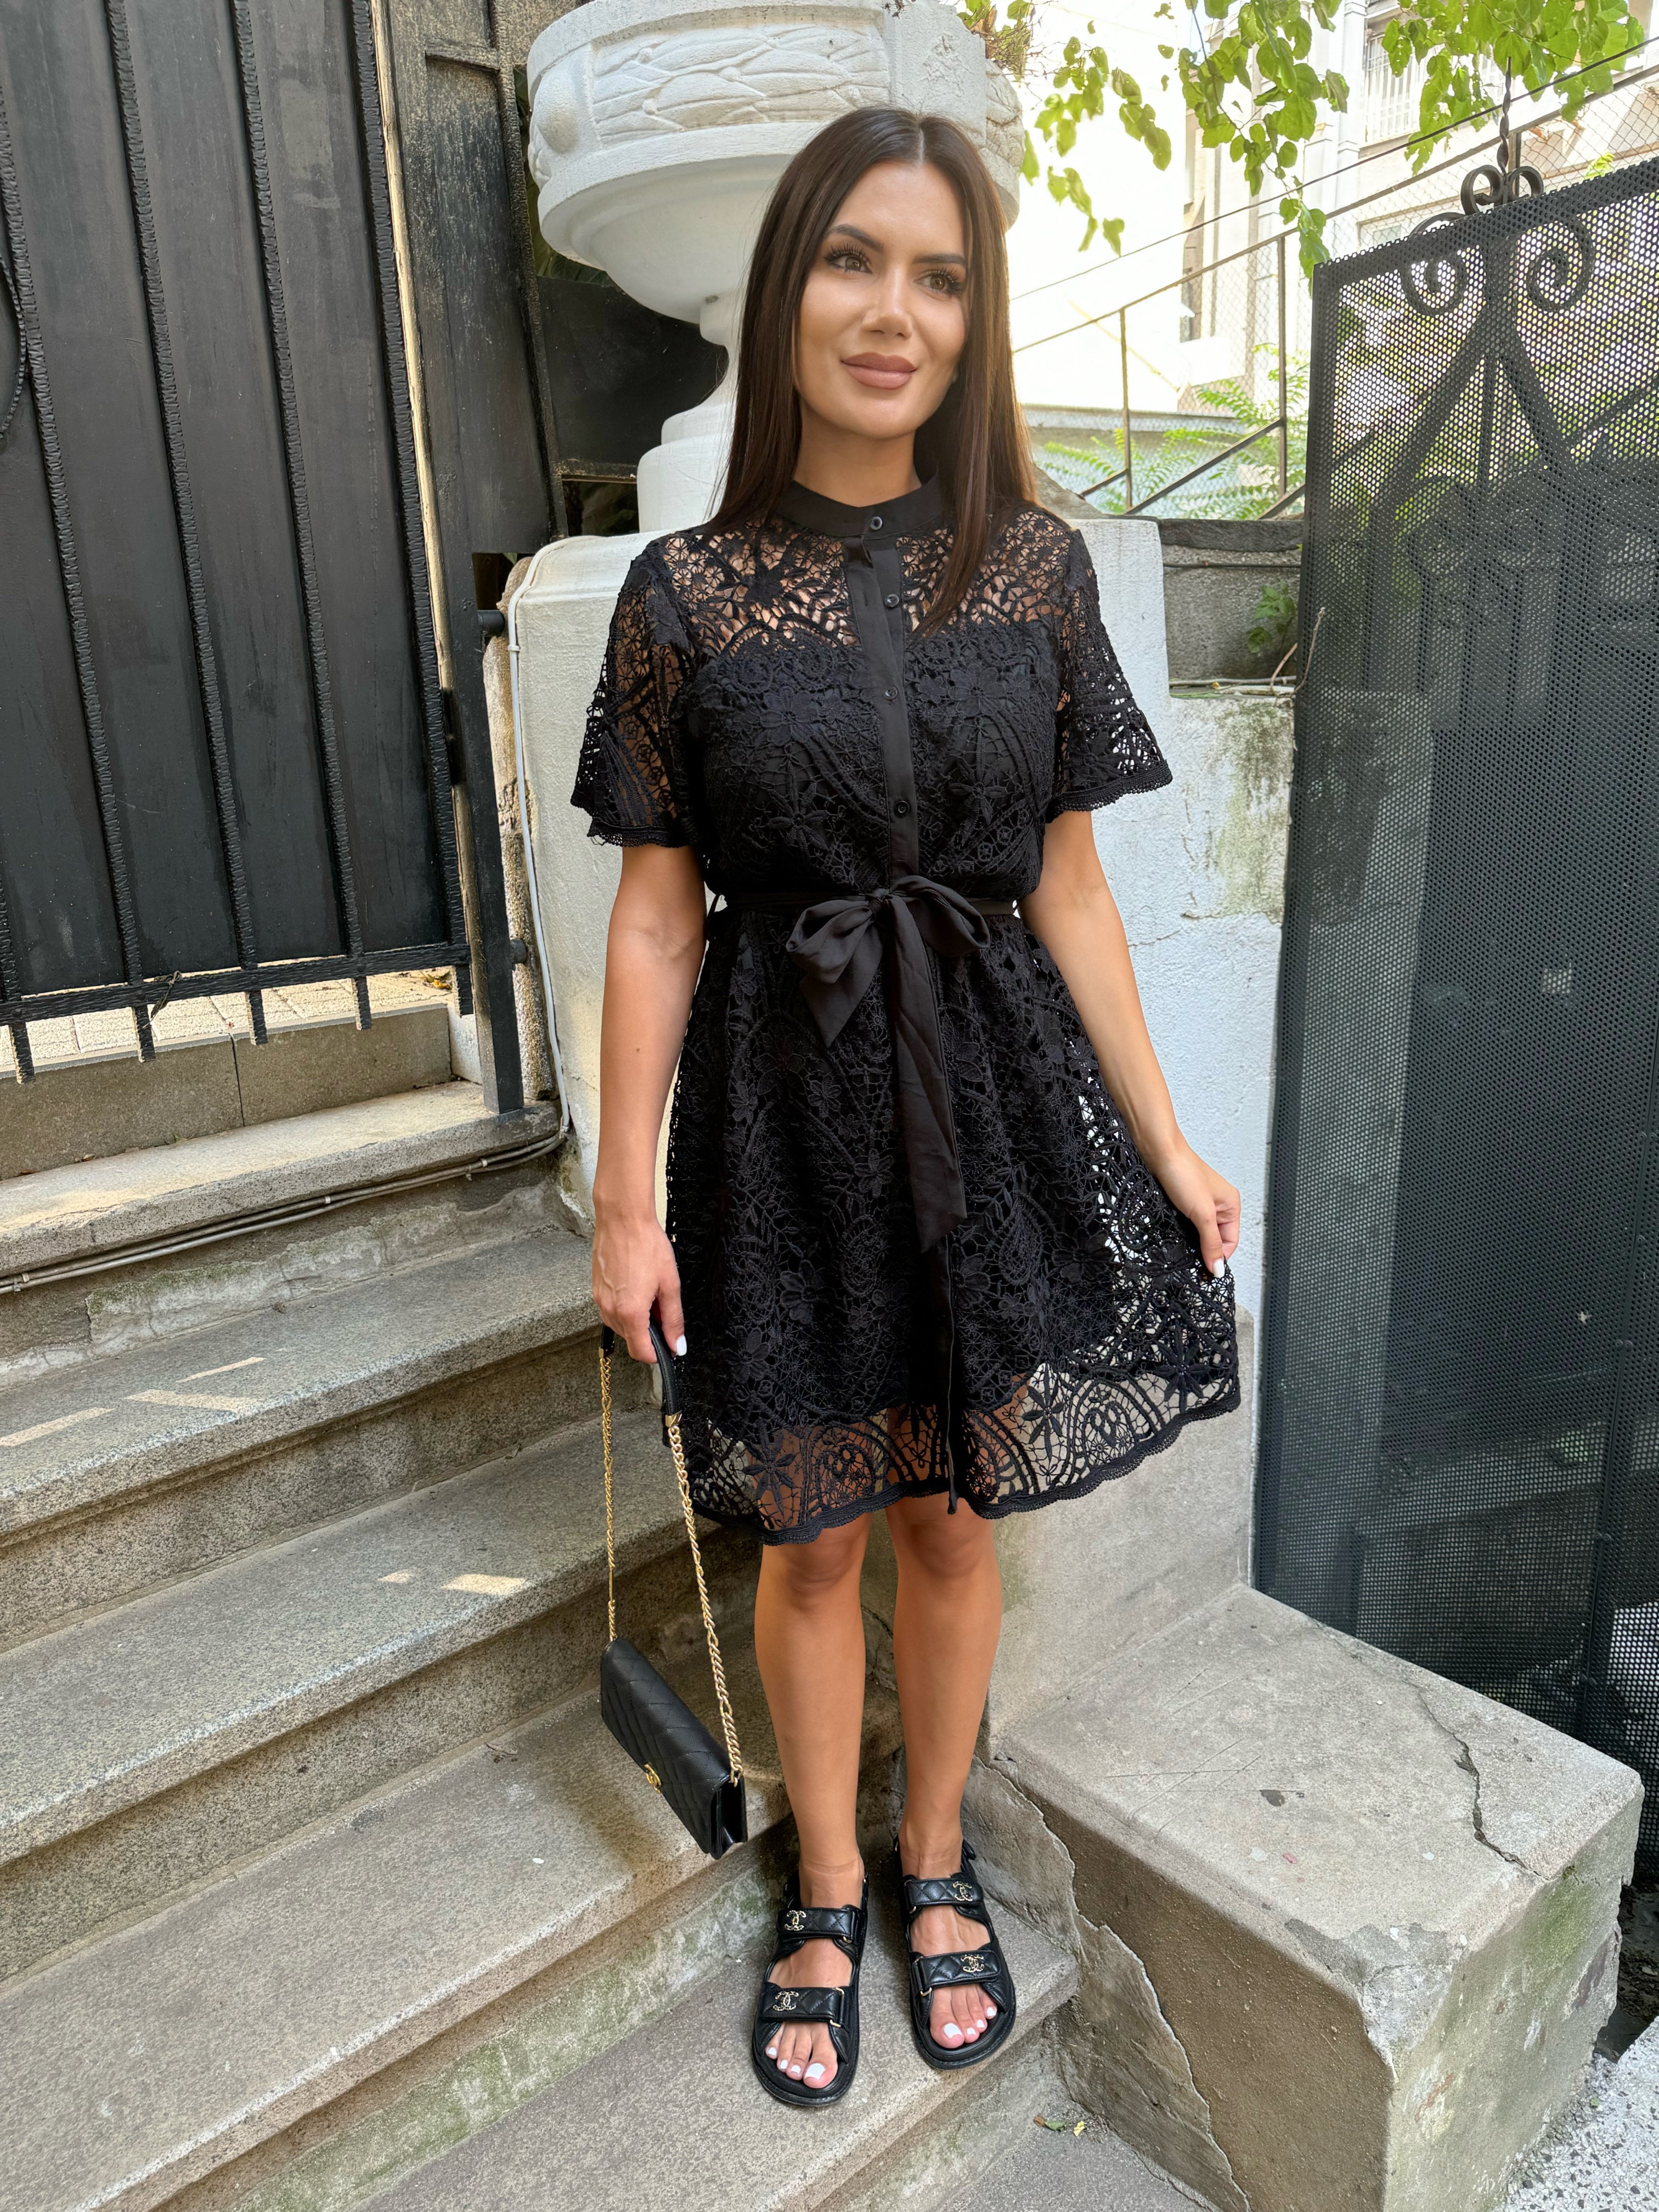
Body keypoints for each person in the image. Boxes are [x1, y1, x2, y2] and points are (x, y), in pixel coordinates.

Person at [572, 105, 1240, 2109]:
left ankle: (935, 1857)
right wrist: (625, 1199)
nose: (897, 312)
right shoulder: (683, 595)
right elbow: (659, 922)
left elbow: (1072, 893)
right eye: (858, 261)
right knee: (813, 1539)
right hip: (781, 1125)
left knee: (956, 1526)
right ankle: (829, 1881)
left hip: (997, 1107)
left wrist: (1168, 1136)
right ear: (791, 288)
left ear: (977, 318)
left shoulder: (1034, 571)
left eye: (943, 278)